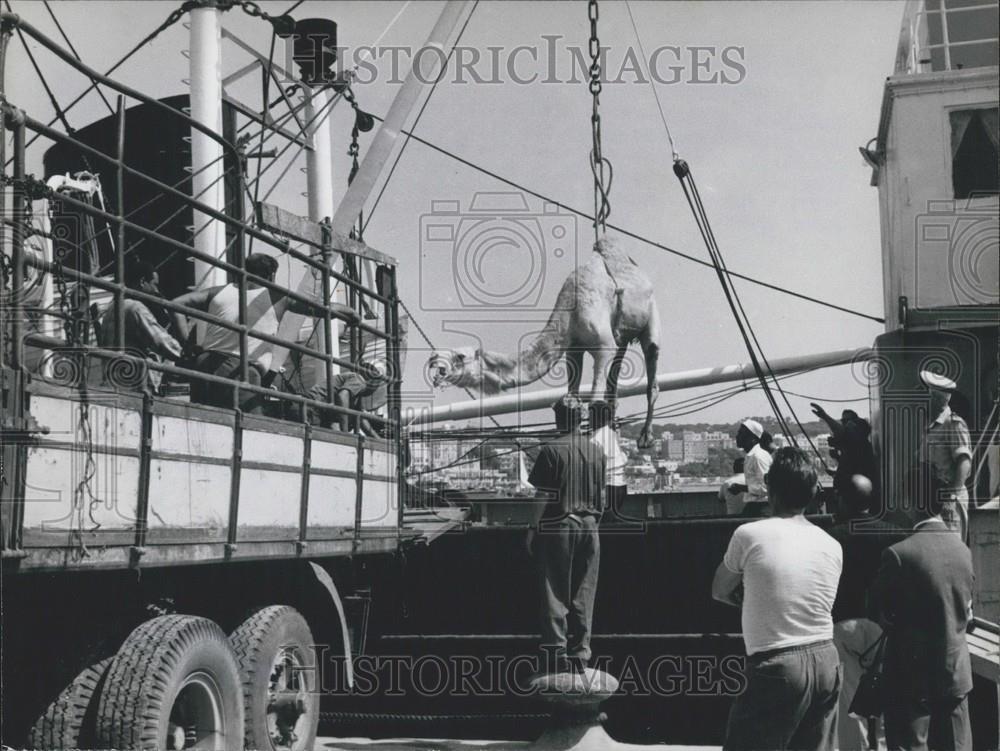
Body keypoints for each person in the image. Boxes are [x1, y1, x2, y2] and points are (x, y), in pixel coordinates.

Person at [712, 447, 843, 751]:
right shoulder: (832, 544)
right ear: (812, 492)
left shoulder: (749, 534)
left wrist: (746, 599)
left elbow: (719, 590)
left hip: (777, 664)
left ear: (770, 491)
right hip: (826, 659)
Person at [171, 253, 359, 412]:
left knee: (203, 421)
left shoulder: (217, 291)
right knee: (249, 428)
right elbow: (321, 309)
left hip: (204, 364)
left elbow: (176, 304)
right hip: (240, 370)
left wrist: (187, 344)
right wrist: (350, 312)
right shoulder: (275, 296)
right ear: (271, 275)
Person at [869, 483, 976, 751]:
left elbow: (880, 611)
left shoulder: (898, 554)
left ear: (910, 503)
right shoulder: (963, 550)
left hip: (910, 676)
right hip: (955, 671)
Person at [527, 395, 605, 674]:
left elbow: (543, 495)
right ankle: (581, 654)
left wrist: (533, 529)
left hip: (560, 524)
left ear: (558, 418)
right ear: (581, 418)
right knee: (585, 591)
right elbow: (603, 496)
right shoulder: (597, 451)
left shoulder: (551, 450)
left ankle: (556, 652)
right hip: (590, 525)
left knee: (554, 590)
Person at [827, 475, 906, 751]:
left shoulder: (831, 536)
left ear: (844, 499)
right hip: (883, 626)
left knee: (848, 701)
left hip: (843, 624)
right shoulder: (896, 534)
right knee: (885, 694)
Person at [96, 257, 182, 394]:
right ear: (142, 282)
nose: (156, 291)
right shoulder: (135, 308)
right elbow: (160, 341)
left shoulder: (112, 307)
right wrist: (183, 353)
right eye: (154, 284)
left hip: (115, 378)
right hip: (135, 384)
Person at [917, 371, 972, 540]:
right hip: (933, 498)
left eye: (924, 394)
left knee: (951, 545)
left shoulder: (953, 423)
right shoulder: (932, 426)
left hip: (948, 500)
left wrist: (951, 498)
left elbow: (964, 462)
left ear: (936, 397)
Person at [812, 403, 878, 511]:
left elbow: (845, 434)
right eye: (843, 421)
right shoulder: (856, 446)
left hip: (854, 500)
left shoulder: (858, 435)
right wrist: (837, 462)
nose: (844, 424)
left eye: (846, 421)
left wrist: (825, 416)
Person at [307, 360, 387, 436]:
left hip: (318, 409)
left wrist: (378, 439)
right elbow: (342, 396)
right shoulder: (359, 380)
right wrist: (345, 432)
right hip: (314, 407)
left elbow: (360, 417)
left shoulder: (355, 392)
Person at [588, 400, 630, 524]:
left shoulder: (593, 439)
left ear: (595, 418)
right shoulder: (613, 434)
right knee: (611, 521)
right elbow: (624, 458)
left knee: (603, 523)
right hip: (621, 485)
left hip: (606, 487)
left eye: (590, 416)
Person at [728, 419, 773, 517]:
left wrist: (740, 488)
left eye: (741, 433)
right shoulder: (751, 456)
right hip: (755, 506)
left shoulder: (758, 457)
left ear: (752, 438)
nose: (737, 437)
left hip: (762, 508)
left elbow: (766, 488)